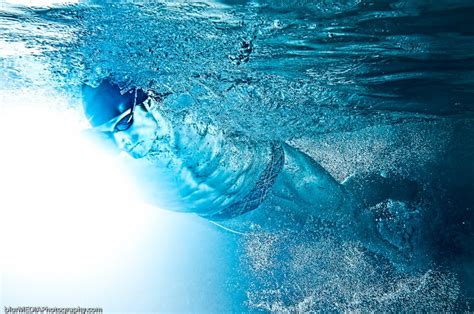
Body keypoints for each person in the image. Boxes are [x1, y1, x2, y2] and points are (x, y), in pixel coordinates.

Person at [82, 78, 420, 263]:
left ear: (144, 100)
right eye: (108, 134)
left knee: (343, 208)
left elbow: (226, 81)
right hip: (237, 213)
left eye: (124, 123)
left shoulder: (171, 97)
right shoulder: (102, 155)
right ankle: (394, 253)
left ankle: (399, 192)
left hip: (273, 166)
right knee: (331, 228)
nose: (120, 139)